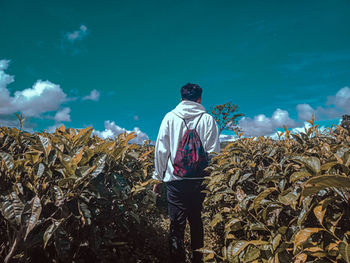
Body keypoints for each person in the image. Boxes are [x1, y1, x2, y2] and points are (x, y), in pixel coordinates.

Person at [152, 83, 220, 263]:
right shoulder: (208, 119)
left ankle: (177, 259)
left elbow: (161, 150)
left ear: (181, 99)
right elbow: (214, 153)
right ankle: (197, 259)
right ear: (200, 99)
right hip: (200, 180)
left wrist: (158, 178)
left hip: (176, 180)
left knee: (176, 223)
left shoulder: (169, 117)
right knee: (196, 221)